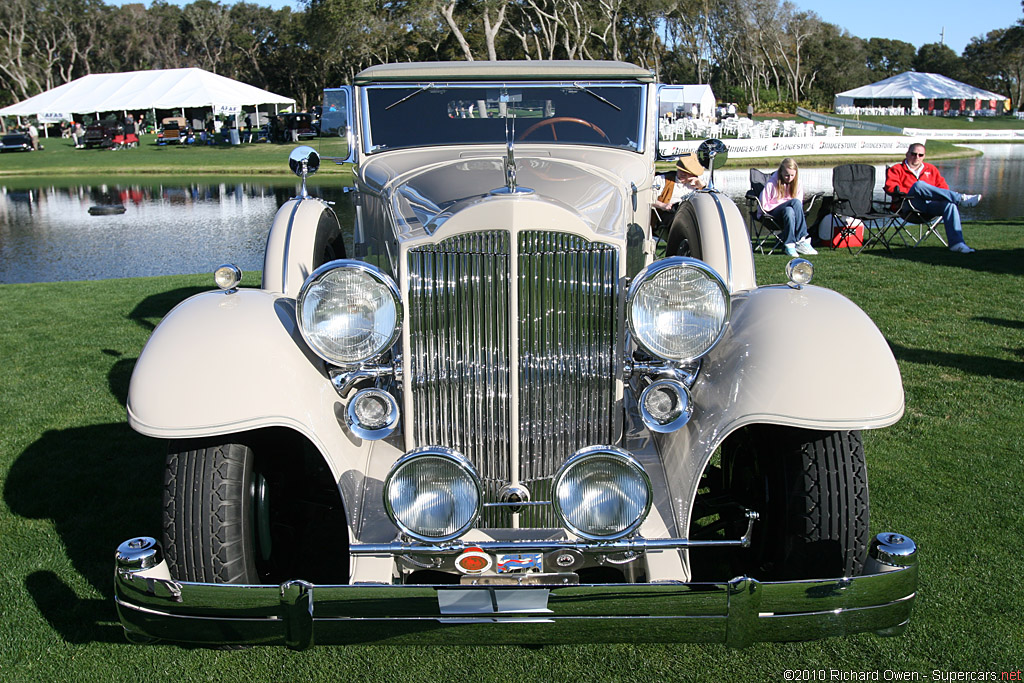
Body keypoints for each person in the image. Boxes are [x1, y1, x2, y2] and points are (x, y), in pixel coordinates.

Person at [884, 142, 981, 253]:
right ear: (907, 154)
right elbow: (890, 188)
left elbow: (944, 189)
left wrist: (930, 195)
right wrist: (915, 192)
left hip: (929, 207)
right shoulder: (896, 169)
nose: (917, 157)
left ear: (924, 156)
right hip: (907, 206)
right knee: (918, 185)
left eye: (920, 155)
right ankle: (961, 198)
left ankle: (957, 244)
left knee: (950, 205)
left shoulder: (931, 169)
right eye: (913, 154)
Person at [759, 157, 817, 256]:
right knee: (794, 202)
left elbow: (798, 204)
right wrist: (782, 203)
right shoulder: (771, 184)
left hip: (788, 214)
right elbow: (764, 205)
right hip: (771, 212)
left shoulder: (797, 183)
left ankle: (789, 245)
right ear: (781, 172)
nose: (789, 178)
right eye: (786, 175)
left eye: (792, 175)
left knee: (789, 211)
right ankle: (802, 238)